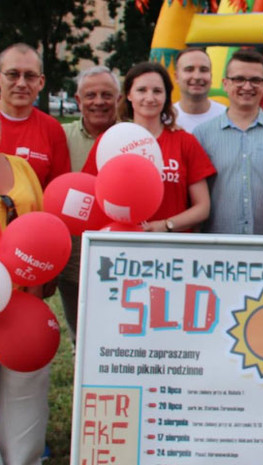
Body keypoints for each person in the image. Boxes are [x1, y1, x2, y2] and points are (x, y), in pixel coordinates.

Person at [83, 62, 216, 233]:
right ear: (129, 95)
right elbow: (89, 197)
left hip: (171, 245)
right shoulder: (108, 140)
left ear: (166, 96)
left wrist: (166, 225)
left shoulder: (184, 141)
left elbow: (203, 207)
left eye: (157, 91)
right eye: (141, 90)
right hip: (121, 242)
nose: (150, 98)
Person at [194, 49, 263, 235]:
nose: (247, 86)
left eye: (255, 80)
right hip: (217, 244)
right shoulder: (202, 135)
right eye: (239, 79)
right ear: (225, 84)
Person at [0, 118, 49, 465]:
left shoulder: (21, 167)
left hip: (22, 303)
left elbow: (42, 230)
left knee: (26, 394)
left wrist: (34, 293)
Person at [59, 66, 121, 338]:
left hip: (123, 258)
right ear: (77, 100)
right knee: (81, 337)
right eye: (90, 95)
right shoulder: (61, 136)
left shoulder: (134, 137)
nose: (99, 102)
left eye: (106, 95)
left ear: (119, 99)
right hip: (74, 260)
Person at [0, 43, 70, 188]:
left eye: (30, 76)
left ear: (41, 82)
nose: (21, 83)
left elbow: (58, 189)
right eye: (13, 74)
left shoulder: (52, 129)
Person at [172, 47, 226, 132]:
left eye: (203, 70)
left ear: (211, 76)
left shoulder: (227, 118)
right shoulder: (164, 120)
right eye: (189, 70)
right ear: (176, 77)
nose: (197, 76)